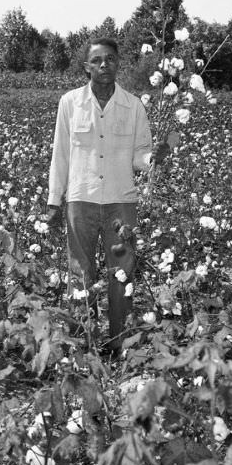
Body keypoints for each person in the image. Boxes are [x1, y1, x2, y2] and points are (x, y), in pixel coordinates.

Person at [46, 38, 168, 354]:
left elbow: (140, 155)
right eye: (97, 60)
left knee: (122, 277)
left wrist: (154, 159)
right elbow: (60, 154)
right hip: (80, 199)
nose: (104, 65)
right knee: (80, 275)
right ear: (86, 66)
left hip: (121, 201)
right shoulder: (70, 104)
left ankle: (120, 346)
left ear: (118, 64)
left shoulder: (133, 106)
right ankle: (81, 348)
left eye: (110, 59)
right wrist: (53, 200)